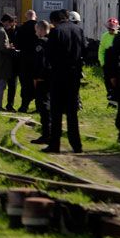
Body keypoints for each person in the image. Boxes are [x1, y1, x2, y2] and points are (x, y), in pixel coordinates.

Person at [44, 9, 84, 153]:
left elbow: (49, 54)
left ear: (54, 20)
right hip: (74, 76)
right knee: (72, 112)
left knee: (56, 112)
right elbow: (84, 50)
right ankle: (77, 145)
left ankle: (55, 144)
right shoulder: (78, 30)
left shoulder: (56, 32)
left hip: (59, 75)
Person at [31, 20, 52, 145]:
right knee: (48, 106)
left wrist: (37, 77)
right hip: (51, 78)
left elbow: (40, 62)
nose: (35, 32)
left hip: (43, 79)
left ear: (41, 29)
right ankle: (49, 133)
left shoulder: (41, 43)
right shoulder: (53, 41)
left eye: (36, 29)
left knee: (43, 107)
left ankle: (46, 135)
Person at [15, 10, 38, 113]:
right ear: (35, 17)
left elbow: (17, 45)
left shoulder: (21, 28)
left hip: (24, 59)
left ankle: (24, 106)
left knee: (25, 83)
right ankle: (39, 105)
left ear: (26, 17)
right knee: (38, 83)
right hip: (37, 59)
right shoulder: (39, 26)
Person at [104, 27, 120, 144]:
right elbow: (112, 57)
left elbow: (111, 57)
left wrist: (112, 76)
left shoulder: (118, 38)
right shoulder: (119, 38)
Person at [98, 17, 119, 104]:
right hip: (107, 62)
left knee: (117, 83)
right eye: (109, 28)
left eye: (112, 28)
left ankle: (116, 99)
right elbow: (101, 51)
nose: (111, 30)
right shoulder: (104, 36)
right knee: (108, 82)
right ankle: (111, 100)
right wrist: (102, 62)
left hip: (117, 63)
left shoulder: (119, 36)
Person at [4, 15, 20, 112]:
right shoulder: (5, 31)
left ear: (13, 23)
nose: (7, 25)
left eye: (9, 23)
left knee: (13, 84)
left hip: (16, 60)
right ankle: (7, 104)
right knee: (5, 84)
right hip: (7, 60)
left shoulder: (18, 31)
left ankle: (10, 104)